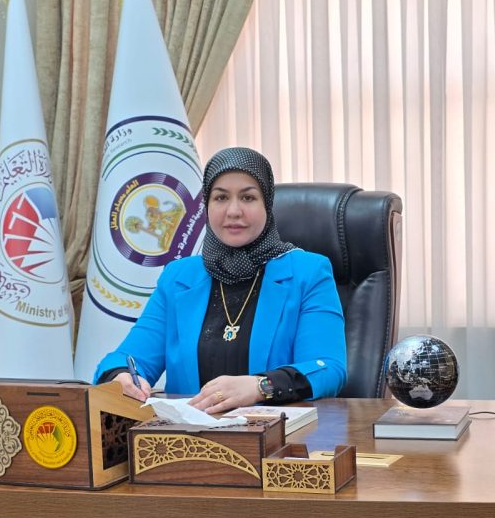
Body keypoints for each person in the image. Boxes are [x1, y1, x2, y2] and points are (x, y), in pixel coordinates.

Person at [94, 147, 347, 412]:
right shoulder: (179, 277)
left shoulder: (308, 272)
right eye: (221, 197)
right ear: (207, 205)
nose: (233, 211)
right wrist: (121, 376)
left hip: (276, 432)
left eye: (248, 197)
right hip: (187, 434)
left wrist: (261, 386)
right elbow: (127, 358)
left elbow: (329, 369)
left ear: (267, 204)